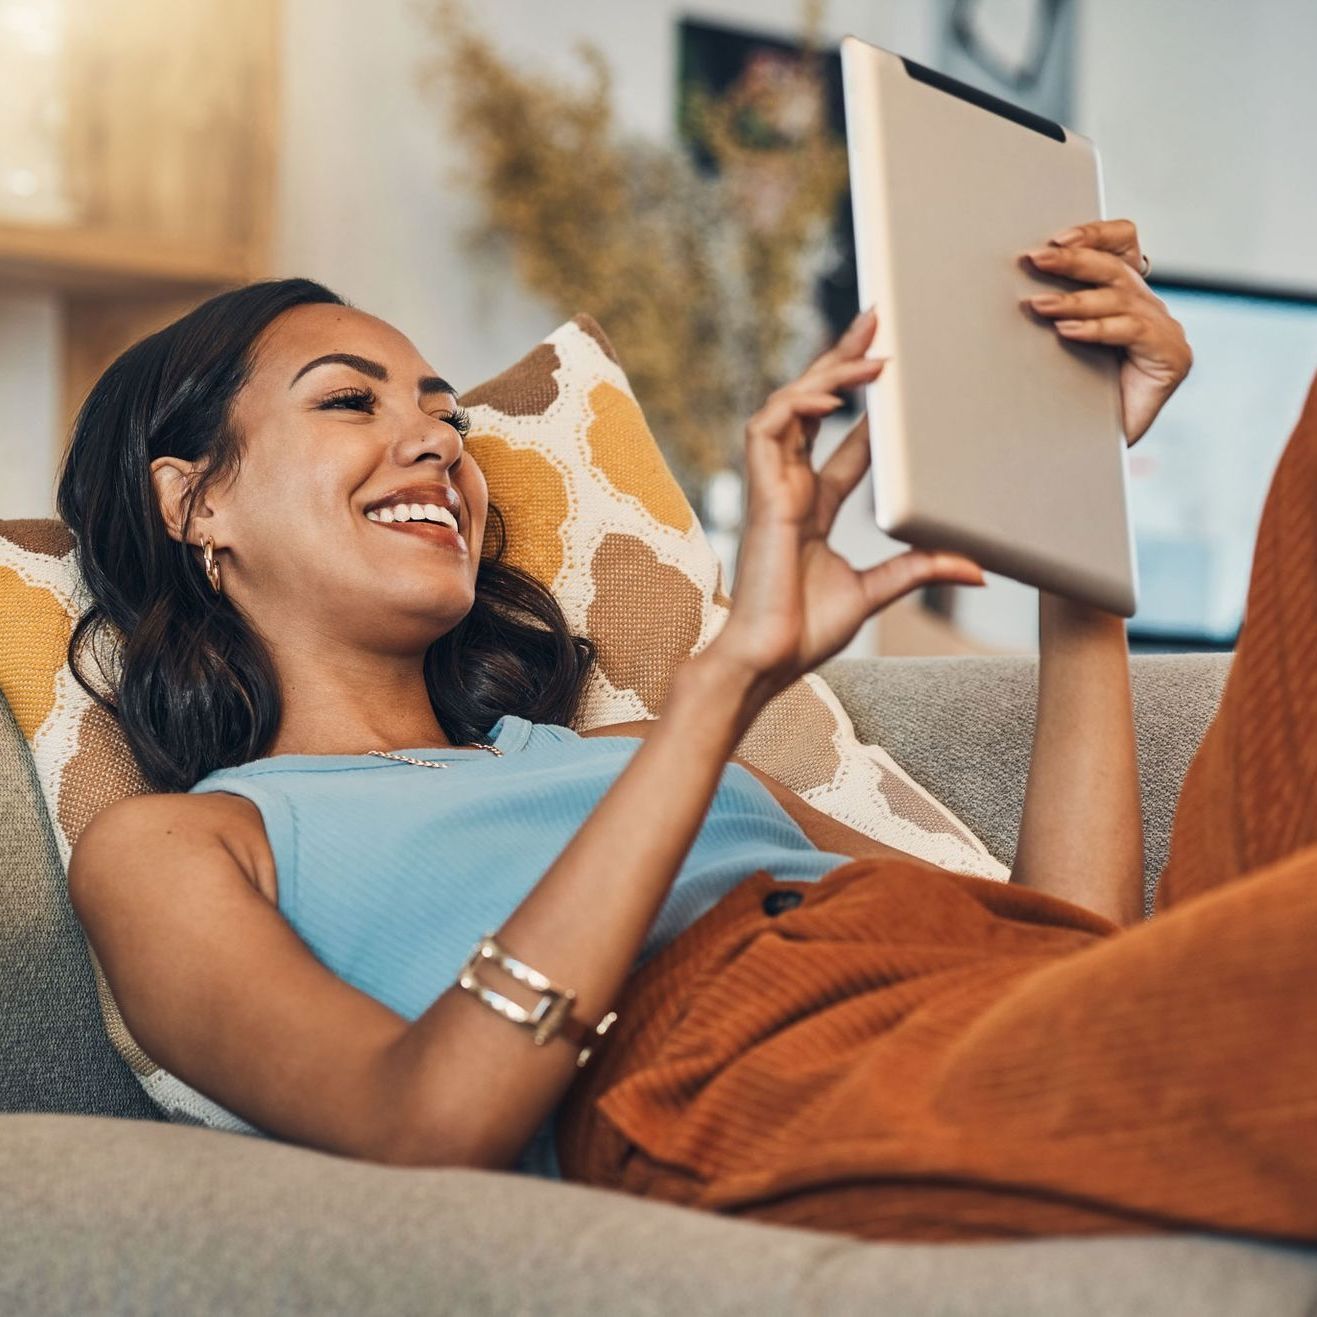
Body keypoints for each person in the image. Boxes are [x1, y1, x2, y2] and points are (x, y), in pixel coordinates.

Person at [59, 216, 1316, 1245]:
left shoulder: (627, 754)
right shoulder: (184, 844)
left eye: (447, 418)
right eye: (349, 402)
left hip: (994, 991)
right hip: (743, 1067)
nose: (435, 441)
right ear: (196, 501)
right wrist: (726, 686)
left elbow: (1069, 943)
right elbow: (424, 1124)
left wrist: (1074, 495)